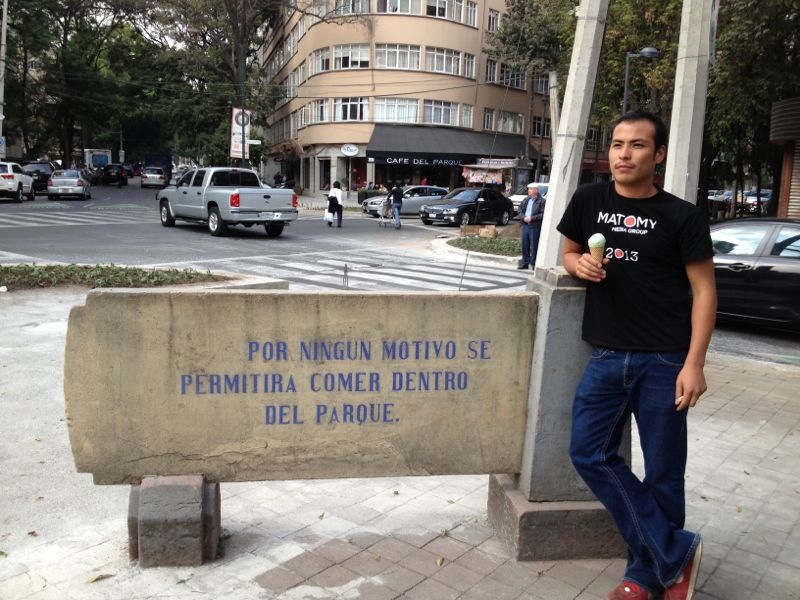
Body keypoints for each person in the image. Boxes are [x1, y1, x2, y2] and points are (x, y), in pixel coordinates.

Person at [556, 110, 716, 600]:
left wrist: (694, 364)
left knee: (664, 471)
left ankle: (644, 578)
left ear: (658, 154)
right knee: (589, 452)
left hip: (665, 361)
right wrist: (579, 265)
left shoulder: (683, 217)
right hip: (607, 355)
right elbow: (568, 253)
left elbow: (704, 291)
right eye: (618, 144)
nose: (624, 154)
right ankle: (674, 552)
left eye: (638, 145)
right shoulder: (589, 199)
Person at [517, 183, 545, 269]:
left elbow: (543, 214)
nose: (529, 191)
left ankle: (533, 263)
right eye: (529, 189)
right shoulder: (526, 199)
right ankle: (525, 262)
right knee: (524, 244)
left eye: (531, 189)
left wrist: (531, 218)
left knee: (534, 245)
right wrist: (524, 217)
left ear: (536, 190)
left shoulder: (542, 201)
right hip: (524, 225)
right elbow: (519, 210)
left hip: (534, 226)